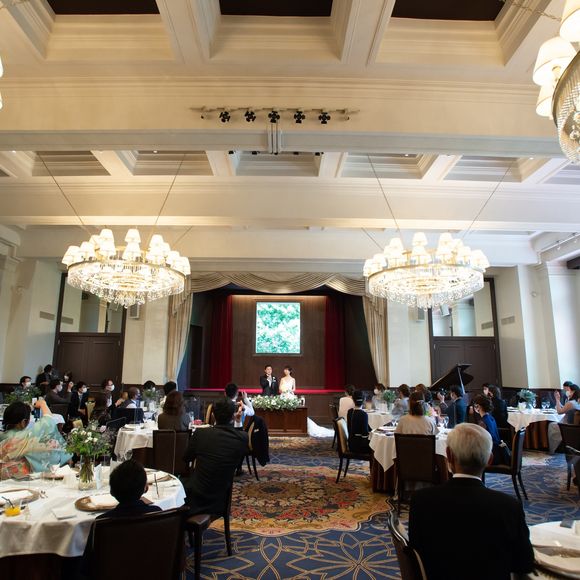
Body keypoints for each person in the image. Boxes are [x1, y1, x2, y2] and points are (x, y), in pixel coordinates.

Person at [409, 423, 534, 580]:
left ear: (449, 455)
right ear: (489, 460)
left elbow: (415, 559)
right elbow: (524, 563)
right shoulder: (509, 506)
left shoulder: (421, 501)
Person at [183, 398, 249, 515]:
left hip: (194, 497)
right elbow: (239, 435)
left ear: (213, 415)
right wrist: (238, 421)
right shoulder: (242, 438)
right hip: (220, 499)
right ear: (233, 416)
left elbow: (186, 459)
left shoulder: (201, 434)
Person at [0, 399, 71, 478]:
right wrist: (43, 404)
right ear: (23, 422)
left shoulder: (3, 435)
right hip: (19, 480)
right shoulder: (24, 437)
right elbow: (48, 423)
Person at [473, 394, 509, 465]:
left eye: (474, 405)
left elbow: (483, 443)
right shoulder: (491, 418)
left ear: (478, 406)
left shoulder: (482, 422)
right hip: (498, 451)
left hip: (492, 455)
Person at [548, 383, 580, 453]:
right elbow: (564, 408)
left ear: (573, 391)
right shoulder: (577, 401)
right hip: (575, 425)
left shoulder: (571, 403)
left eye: (569, 390)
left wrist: (557, 399)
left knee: (551, 425)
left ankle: (553, 449)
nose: (567, 392)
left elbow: (559, 411)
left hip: (567, 425)